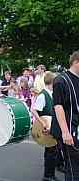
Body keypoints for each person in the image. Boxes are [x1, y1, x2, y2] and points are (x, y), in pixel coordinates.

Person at [51, 51, 79, 181]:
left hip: (76, 127)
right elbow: (58, 106)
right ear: (76, 62)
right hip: (68, 130)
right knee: (73, 168)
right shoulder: (60, 80)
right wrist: (65, 132)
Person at [31, 72, 61, 181]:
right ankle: (48, 176)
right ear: (52, 82)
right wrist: (43, 123)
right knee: (50, 151)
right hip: (47, 127)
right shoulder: (43, 95)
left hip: (53, 126)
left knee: (54, 150)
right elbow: (33, 110)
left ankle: (51, 173)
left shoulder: (52, 93)